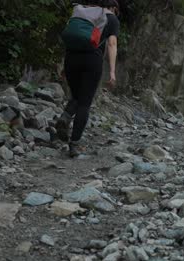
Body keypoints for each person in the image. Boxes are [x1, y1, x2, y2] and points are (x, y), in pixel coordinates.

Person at [56, 0, 120, 157]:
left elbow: (73, 38)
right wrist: (112, 71)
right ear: (114, 7)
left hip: (71, 58)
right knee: (85, 102)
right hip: (92, 60)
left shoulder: (82, 13)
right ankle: (74, 144)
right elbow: (111, 44)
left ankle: (65, 117)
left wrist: (65, 65)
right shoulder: (111, 19)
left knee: (76, 96)